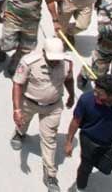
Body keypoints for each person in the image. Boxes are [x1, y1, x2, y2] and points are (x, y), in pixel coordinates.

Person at [11, 36, 75, 192]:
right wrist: (17, 109)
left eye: (56, 59)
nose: (55, 62)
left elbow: (68, 80)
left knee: (49, 139)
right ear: (44, 52)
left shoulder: (66, 63)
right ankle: (19, 134)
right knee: (23, 123)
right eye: (51, 59)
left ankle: (50, 175)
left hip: (53, 108)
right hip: (29, 103)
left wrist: (72, 95)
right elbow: (18, 84)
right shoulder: (29, 62)